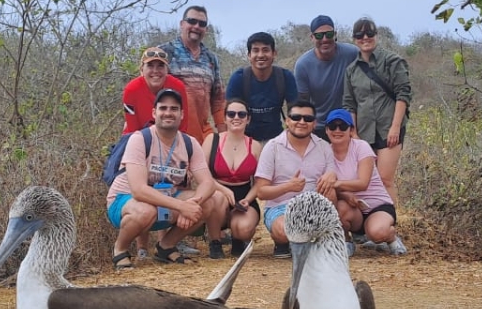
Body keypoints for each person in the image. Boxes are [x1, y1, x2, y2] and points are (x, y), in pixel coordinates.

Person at [106, 89, 228, 269]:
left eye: (174, 108)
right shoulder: (140, 139)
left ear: (181, 114)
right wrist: (181, 207)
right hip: (125, 201)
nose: (168, 113)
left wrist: (193, 203)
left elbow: (207, 182)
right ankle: (120, 249)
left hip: (166, 201)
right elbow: (139, 190)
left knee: (208, 202)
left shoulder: (189, 143)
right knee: (145, 211)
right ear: (154, 113)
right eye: (163, 108)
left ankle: (166, 246)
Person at [254, 99, 338, 258]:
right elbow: (261, 192)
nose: (301, 122)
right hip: (280, 207)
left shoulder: (324, 147)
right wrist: (288, 186)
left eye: (307, 119)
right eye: (296, 117)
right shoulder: (272, 147)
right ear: (287, 121)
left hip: (314, 206)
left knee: (331, 191)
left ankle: (321, 239)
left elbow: (331, 174)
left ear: (314, 123)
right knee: (284, 230)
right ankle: (285, 241)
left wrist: (331, 175)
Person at [343, 18, 412, 209]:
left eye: (369, 33)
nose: (365, 38)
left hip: (388, 128)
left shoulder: (392, 61)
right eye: (359, 34)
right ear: (354, 38)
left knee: (384, 179)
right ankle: (369, 225)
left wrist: (395, 127)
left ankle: (389, 225)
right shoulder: (351, 70)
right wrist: (354, 133)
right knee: (366, 180)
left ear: (376, 35)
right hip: (364, 132)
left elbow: (403, 94)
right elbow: (350, 104)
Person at [323, 109, 407, 256]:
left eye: (342, 126)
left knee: (377, 233)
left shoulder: (361, 147)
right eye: (332, 126)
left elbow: (363, 183)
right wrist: (345, 196)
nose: (337, 130)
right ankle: (344, 240)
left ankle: (391, 236)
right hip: (352, 209)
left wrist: (336, 184)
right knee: (335, 200)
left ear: (351, 129)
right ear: (326, 130)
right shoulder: (324, 154)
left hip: (377, 205)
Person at [201, 98, 263, 258]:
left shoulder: (255, 146)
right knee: (217, 198)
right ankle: (215, 241)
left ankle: (237, 240)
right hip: (216, 192)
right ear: (225, 118)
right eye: (231, 114)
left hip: (244, 195)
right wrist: (222, 189)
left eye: (242, 114)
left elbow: (260, 182)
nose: (236, 117)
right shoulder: (211, 140)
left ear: (248, 119)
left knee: (244, 229)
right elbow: (202, 174)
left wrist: (248, 200)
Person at [158, 5, 225, 143]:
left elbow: (217, 100)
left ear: (206, 29)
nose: (196, 26)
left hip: (203, 133)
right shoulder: (164, 53)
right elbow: (147, 91)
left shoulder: (211, 58)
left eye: (202, 24)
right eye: (192, 21)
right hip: (171, 133)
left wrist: (225, 136)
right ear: (182, 24)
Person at [293, 14, 359, 140]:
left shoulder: (352, 53)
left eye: (328, 34)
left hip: (349, 123)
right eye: (319, 35)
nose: (324, 39)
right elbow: (303, 102)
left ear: (335, 34)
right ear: (312, 37)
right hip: (320, 126)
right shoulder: (303, 65)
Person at [225, 32, 298, 142]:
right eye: (255, 50)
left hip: (276, 139)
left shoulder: (285, 77)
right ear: (249, 55)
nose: (260, 55)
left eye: (265, 50)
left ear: (274, 53)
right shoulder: (239, 78)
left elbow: (296, 112)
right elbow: (230, 116)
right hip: (244, 140)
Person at [122, 47, 200, 138]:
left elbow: (182, 125)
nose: (155, 71)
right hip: (139, 139)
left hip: (170, 139)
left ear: (167, 70)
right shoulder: (130, 90)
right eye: (150, 65)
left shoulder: (178, 87)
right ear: (142, 69)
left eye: (160, 65)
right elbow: (132, 130)